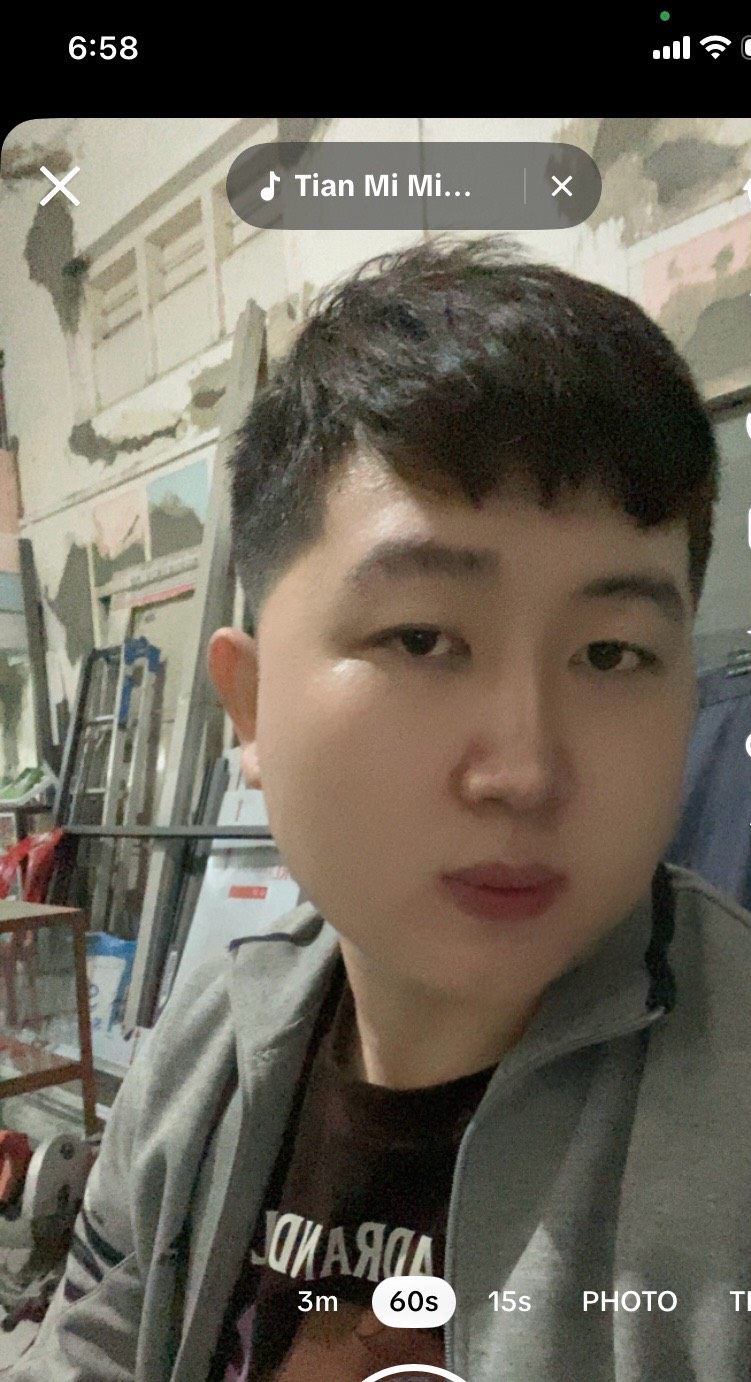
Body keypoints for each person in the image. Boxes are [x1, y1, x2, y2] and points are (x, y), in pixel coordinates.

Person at [6, 235, 751, 1382]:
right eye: (421, 637)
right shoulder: (202, 1056)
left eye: (611, 653)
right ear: (249, 706)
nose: (525, 769)